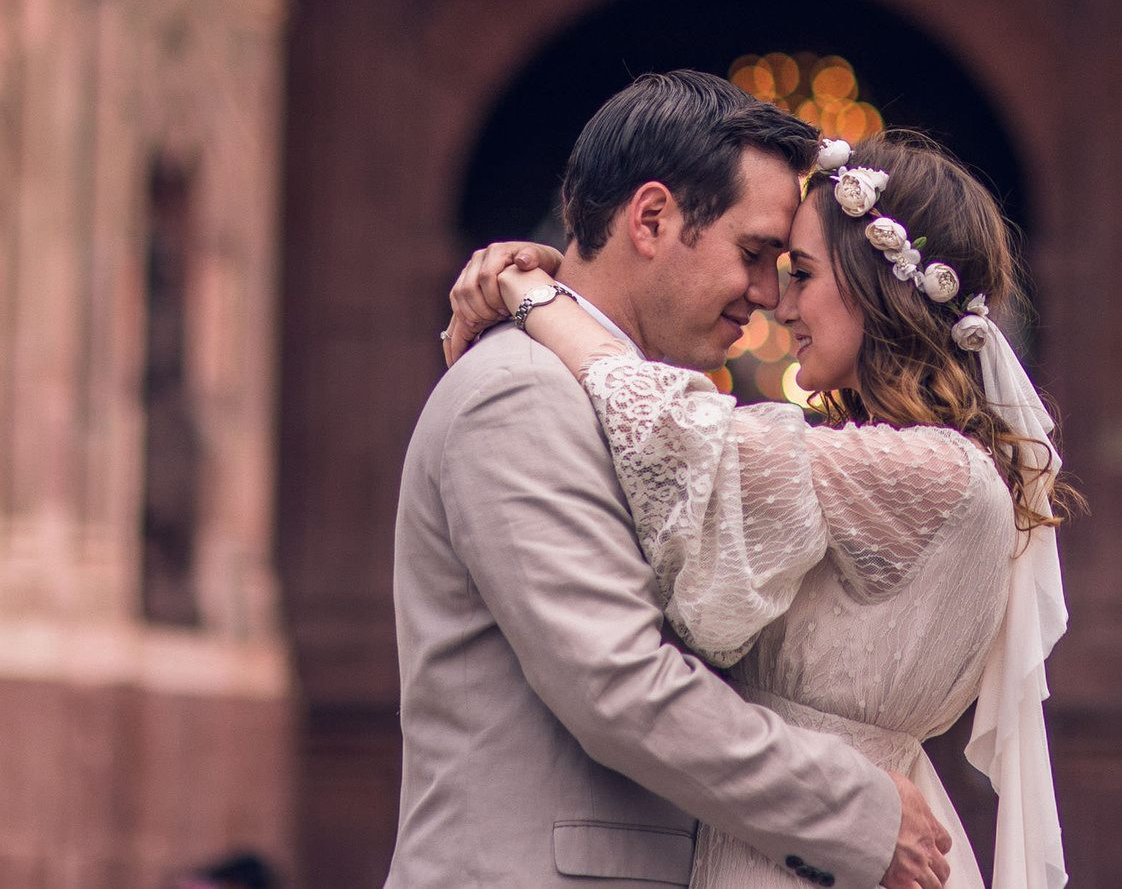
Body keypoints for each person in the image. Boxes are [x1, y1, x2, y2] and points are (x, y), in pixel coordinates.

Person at [444, 124, 1071, 889]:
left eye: (800, 272)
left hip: (828, 848)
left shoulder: (936, 473)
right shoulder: (883, 466)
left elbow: (676, 429)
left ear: (878, 287)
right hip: (798, 839)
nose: (780, 303)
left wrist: (539, 292)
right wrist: (570, 286)